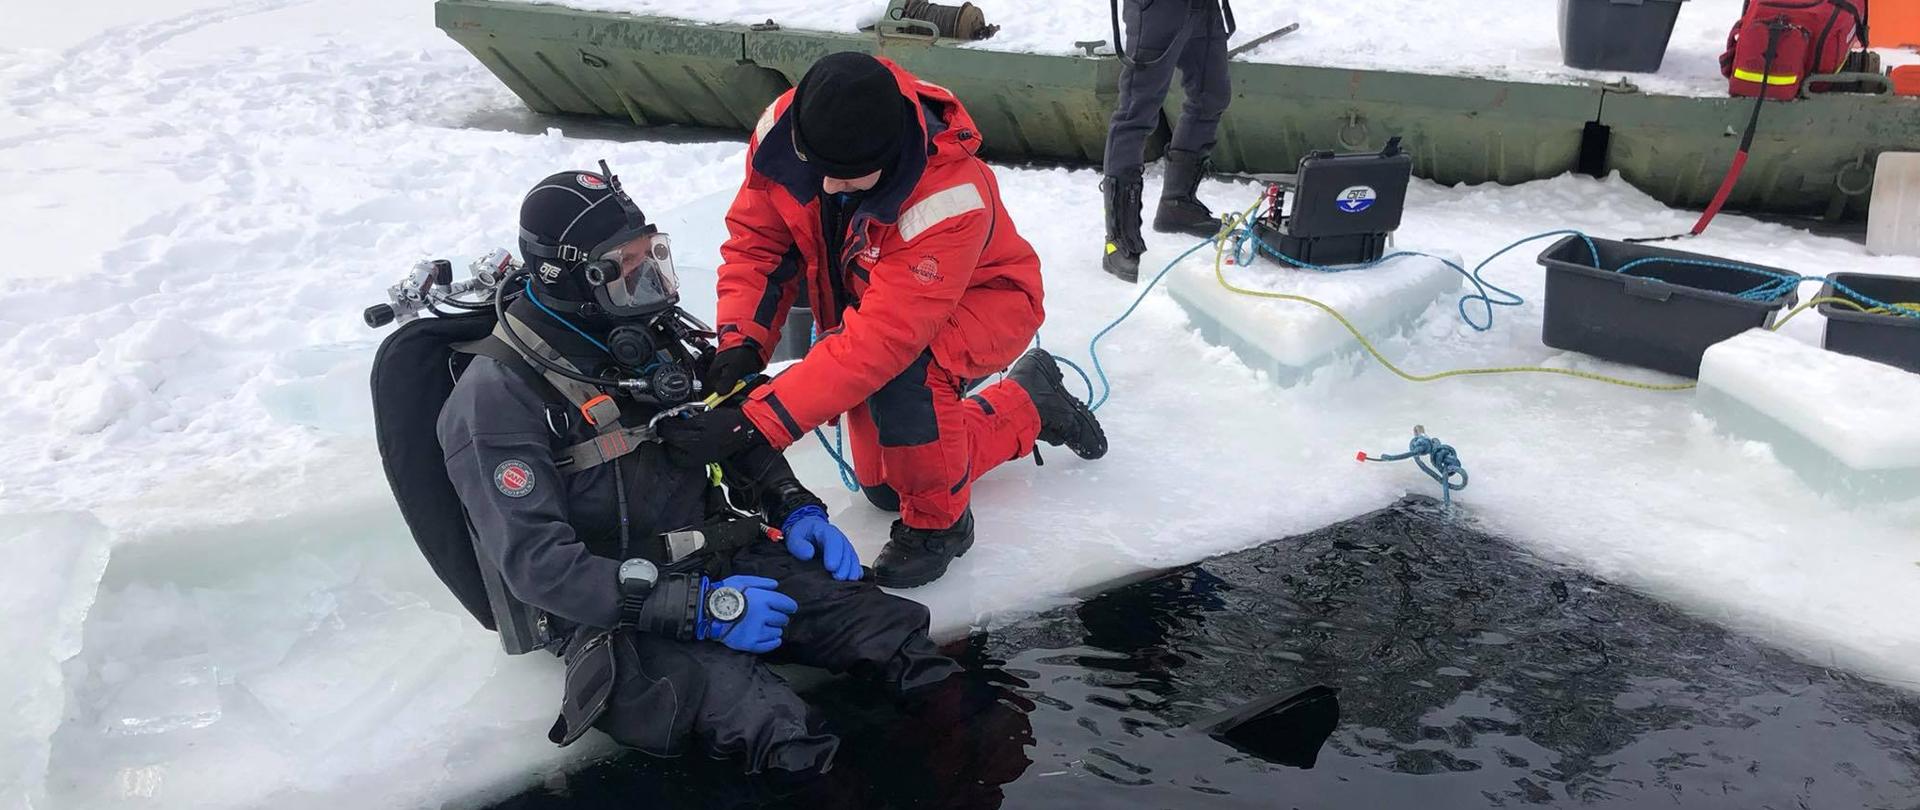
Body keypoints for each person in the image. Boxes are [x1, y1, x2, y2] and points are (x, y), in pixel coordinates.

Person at [425, 165, 962, 776]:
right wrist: (696, 610)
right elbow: (538, 566)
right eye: (624, 265)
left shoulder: (649, 336)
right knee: (782, 736)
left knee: (894, 636)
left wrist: (794, 504)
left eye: (648, 254)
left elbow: (724, 428)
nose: (646, 277)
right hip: (619, 611)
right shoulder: (495, 398)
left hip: (724, 558)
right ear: (572, 277)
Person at [655, 52, 1110, 589]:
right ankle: (1028, 404)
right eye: (820, 170)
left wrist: (758, 420)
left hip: (985, 300)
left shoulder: (950, 196)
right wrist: (742, 342)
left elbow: (885, 341)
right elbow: (761, 245)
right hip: (876, 302)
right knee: (887, 488)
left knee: (908, 379)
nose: (827, 188)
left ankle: (941, 527)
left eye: (847, 178)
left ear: (892, 155)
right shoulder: (784, 128)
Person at [1101, 0, 1236, 283]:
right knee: (1137, 110)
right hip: (1158, 9)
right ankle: (1118, 238)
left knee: (1211, 96)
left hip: (1204, 8)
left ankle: (1177, 205)